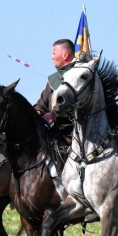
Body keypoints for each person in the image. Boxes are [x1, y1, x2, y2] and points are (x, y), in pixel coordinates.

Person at [34, 39, 76, 175]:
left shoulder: (79, 75)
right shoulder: (53, 79)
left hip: (75, 130)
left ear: (65, 55)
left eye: (54, 53)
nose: (51, 57)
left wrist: (54, 116)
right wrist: (38, 112)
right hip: (53, 131)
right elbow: (41, 103)